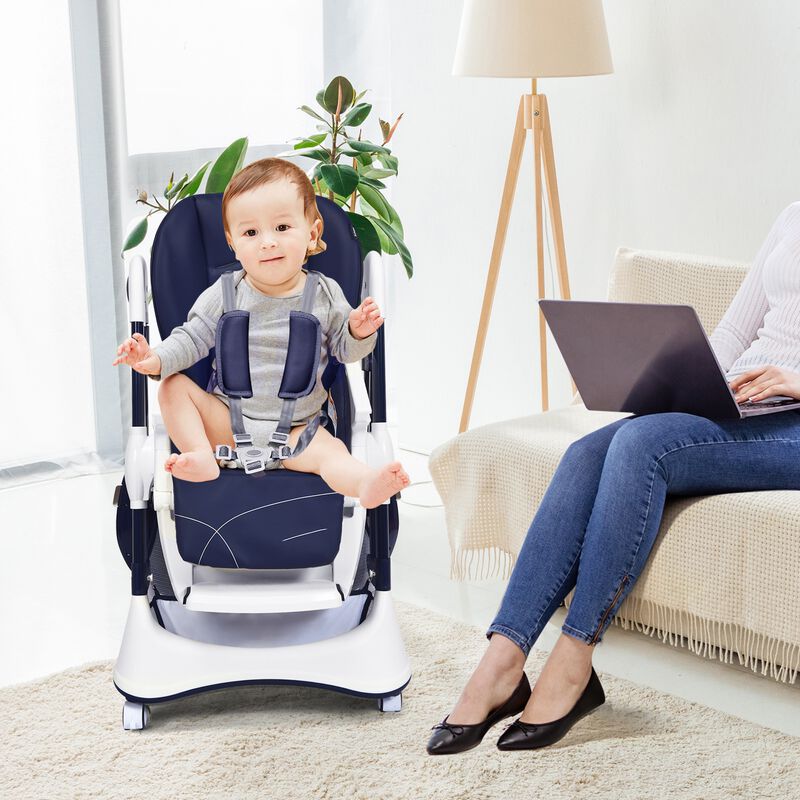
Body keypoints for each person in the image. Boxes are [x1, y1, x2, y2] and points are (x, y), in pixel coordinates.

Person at [427, 201, 800, 755]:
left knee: (641, 446)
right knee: (584, 452)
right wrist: (685, 380)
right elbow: (736, 329)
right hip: (741, 403)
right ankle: (502, 660)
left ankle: (574, 659)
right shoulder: (792, 214)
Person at [113, 157, 410, 509]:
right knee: (173, 388)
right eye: (251, 233)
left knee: (333, 455)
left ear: (312, 234)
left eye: (282, 228)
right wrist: (154, 358)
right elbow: (191, 338)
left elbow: (345, 351)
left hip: (301, 429)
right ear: (233, 244)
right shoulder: (225, 294)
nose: (267, 242)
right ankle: (201, 453)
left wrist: (358, 331)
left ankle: (365, 483)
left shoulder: (325, 293)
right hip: (228, 423)